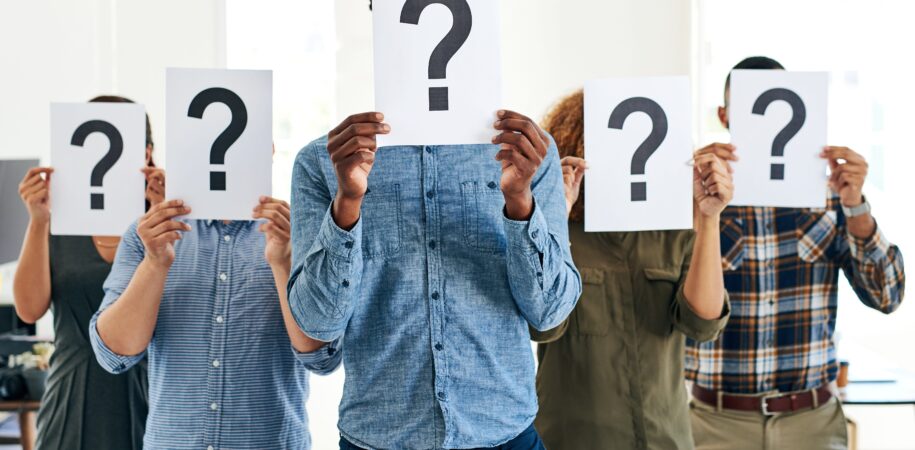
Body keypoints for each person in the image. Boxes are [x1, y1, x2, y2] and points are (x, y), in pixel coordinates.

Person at [287, 108, 582, 450]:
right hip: (378, 438)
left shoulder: (530, 151)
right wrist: (347, 202)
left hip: (507, 435)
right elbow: (317, 321)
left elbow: (550, 311)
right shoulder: (321, 161)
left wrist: (520, 200)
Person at [686, 56, 906, 450]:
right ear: (724, 115)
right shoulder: (696, 196)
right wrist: (690, 200)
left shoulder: (830, 196)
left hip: (812, 423)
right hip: (717, 423)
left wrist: (856, 206)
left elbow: (887, 295)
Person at [530, 91, 732, 450]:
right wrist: (553, 216)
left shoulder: (675, 232)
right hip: (572, 440)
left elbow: (703, 324)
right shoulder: (558, 233)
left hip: (663, 438)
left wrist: (710, 218)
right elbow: (542, 325)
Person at [89, 168, 337, 449]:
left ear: (270, 148)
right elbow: (113, 355)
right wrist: (154, 263)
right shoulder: (147, 235)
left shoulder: (300, 232)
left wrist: (283, 263)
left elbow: (323, 358)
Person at [13, 95, 158, 450]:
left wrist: (165, 212)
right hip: (73, 398)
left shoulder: (162, 223)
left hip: (153, 393)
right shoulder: (59, 220)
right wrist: (38, 221)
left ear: (147, 154)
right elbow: (29, 309)